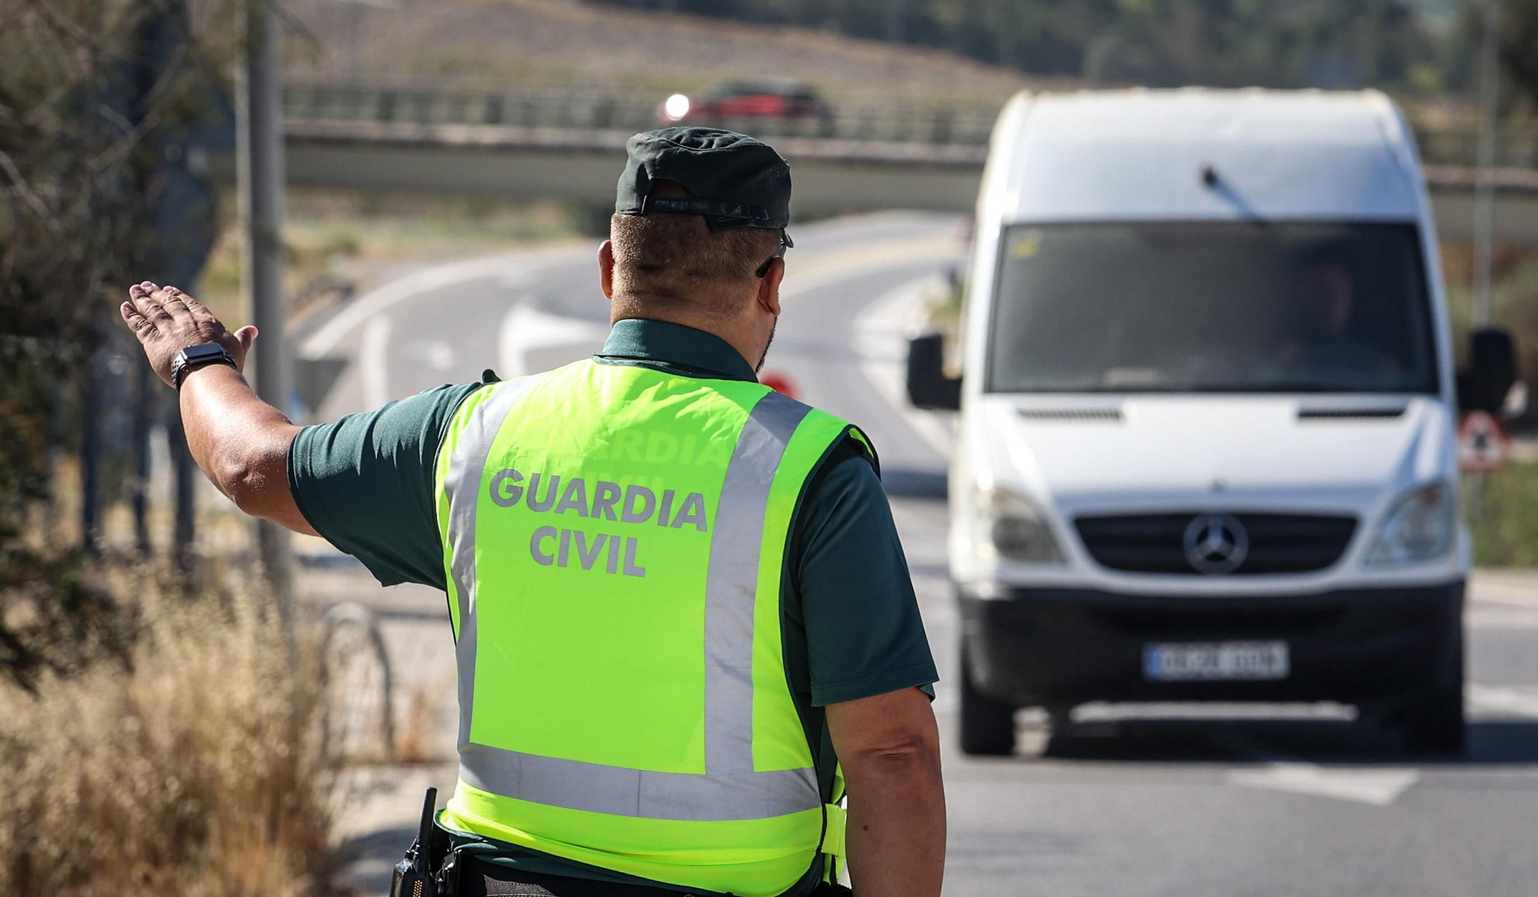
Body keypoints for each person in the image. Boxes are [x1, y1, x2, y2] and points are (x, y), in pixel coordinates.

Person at [118, 127, 945, 897]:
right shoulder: (812, 472)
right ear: (771, 282)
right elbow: (893, 754)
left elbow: (252, 463)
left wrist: (198, 362)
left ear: (608, 270)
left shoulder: (472, 433)